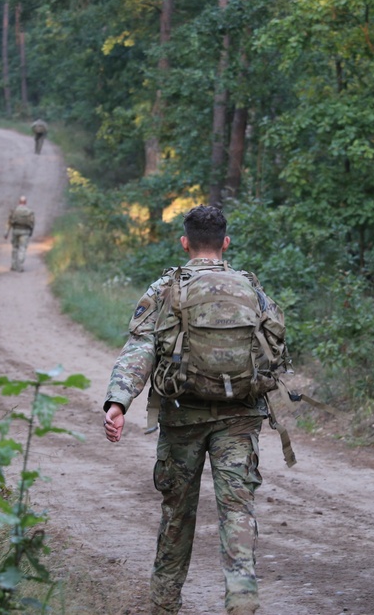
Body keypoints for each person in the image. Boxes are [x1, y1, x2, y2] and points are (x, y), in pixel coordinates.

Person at [102, 205, 285, 615]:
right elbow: (274, 346)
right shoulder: (251, 288)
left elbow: (140, 348)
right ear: (225, 242)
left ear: (185, 242)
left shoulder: (167, 287)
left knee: (177, 513)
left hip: (182, 417)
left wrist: (119, 401)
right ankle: (242, 598)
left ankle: (164, 604)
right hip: (239, 416)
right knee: (237, 509)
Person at [3, 195, 35, 272]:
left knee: (15, 248)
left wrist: (6, 233)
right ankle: (20, 266)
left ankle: (13, 265)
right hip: (25, 232)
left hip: (15, 231)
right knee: (22, 248)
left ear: (19, 202)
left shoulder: (14, 211)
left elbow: (9, 222)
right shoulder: (29, 212)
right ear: (25, 202)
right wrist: (31, 232)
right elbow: (32, 223)